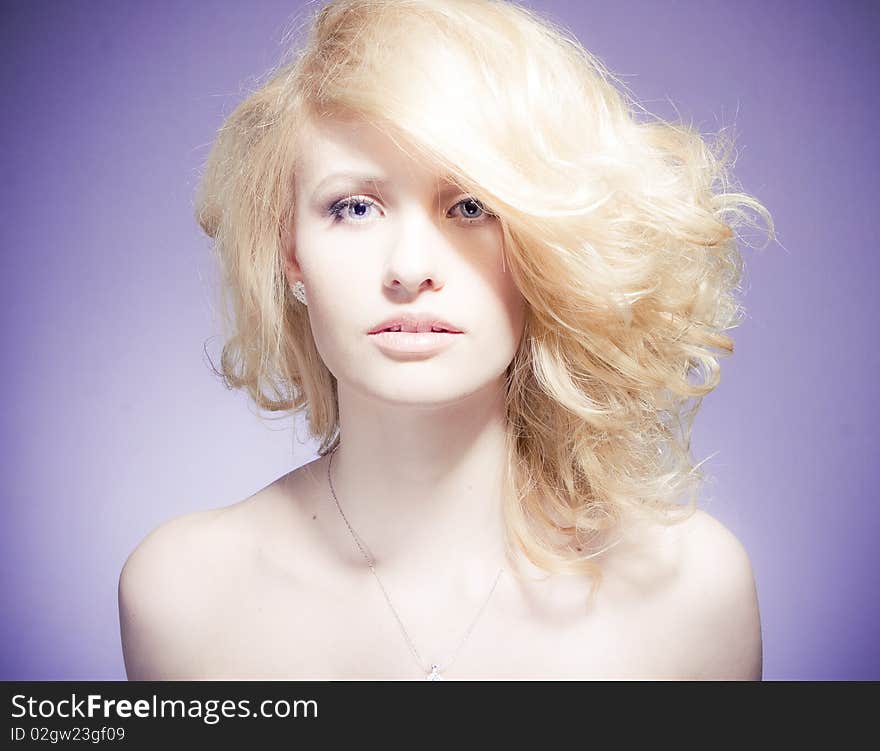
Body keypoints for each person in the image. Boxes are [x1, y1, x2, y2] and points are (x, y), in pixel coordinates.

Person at [118, 0, 772, 680]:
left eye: (470, 207)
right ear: (291, 253)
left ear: (549, 248)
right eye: (354, 207)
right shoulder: (181, 594)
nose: (408, 268)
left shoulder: (693, 593)